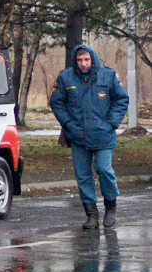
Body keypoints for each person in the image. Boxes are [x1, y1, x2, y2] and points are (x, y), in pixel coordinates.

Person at [49, 44, 129, 229]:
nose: (84, 64)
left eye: (87, 59)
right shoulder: (65, 77)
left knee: (103, 169)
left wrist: (111, 123)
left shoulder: (108, 75)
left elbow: (121, 99)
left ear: (93, 59)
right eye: (80, 60)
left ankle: (111, 207)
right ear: (75, 61)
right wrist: (68, 124)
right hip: (78, 135)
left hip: (103, 134)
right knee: (83, 176)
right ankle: (91, 214)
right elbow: (57, 102)